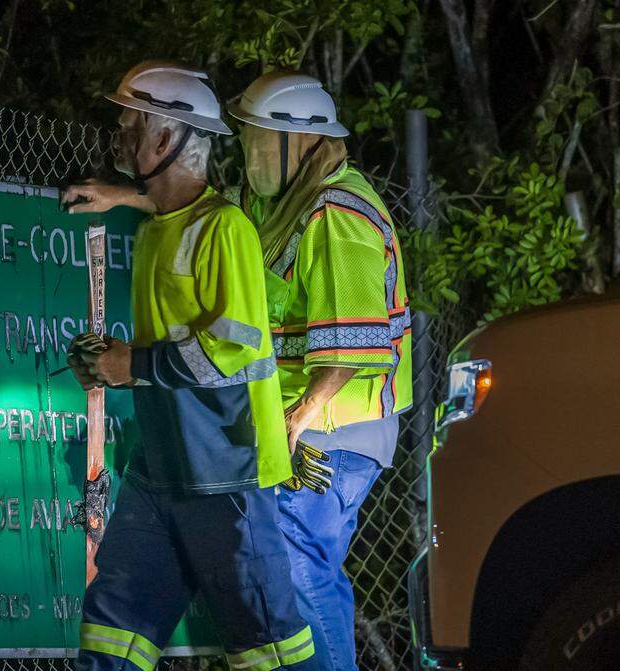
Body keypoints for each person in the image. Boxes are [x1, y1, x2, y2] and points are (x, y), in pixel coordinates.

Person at [62, 61, 316, 671]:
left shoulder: (224, 228)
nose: (121, 130)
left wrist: (134, 364)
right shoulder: (160, 226)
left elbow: (232, 349)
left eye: (132, 120)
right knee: (113, 626)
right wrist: (110, 363)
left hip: (227, 473)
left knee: (267, 644)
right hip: (164, 467)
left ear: (168, 136)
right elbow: (173, 347)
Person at [227, 72, 413, 671]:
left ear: (300, 145)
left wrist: (295, 420)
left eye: (262, 141)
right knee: (282, 567)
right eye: (246, 139)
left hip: (331, 429)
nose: (250, 155)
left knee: (299, 560)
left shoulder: (337, 214)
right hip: (299, 424)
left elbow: (350, 346)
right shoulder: (275, 204)